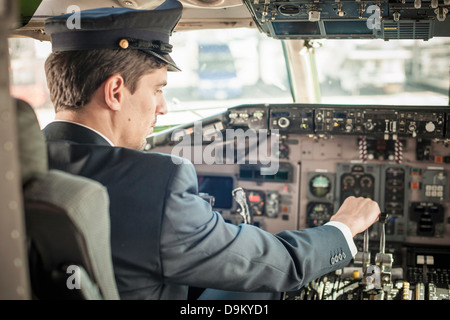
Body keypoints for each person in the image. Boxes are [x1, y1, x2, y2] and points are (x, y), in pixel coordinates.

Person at [42, 0, 381, 300]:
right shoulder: (154, 182)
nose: (162, 109)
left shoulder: (17, 165)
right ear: (116, 91)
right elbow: (279, 266)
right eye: (157, 90)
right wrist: (343, 227)